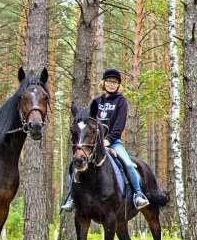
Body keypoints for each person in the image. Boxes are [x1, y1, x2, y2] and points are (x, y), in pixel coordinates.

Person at [61, 69, 150, 212]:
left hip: (113, 142)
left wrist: (107, 141)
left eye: (115, 82)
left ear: (118, 85)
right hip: (92, 144)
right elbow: (89, 124)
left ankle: (138, 195)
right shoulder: (96, 102)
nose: (111, 84)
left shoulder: (121, 102)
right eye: (109, 81)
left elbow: (119, 126)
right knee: (74, 166)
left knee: (127, 164)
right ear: (103, 82)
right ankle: (72, 197)